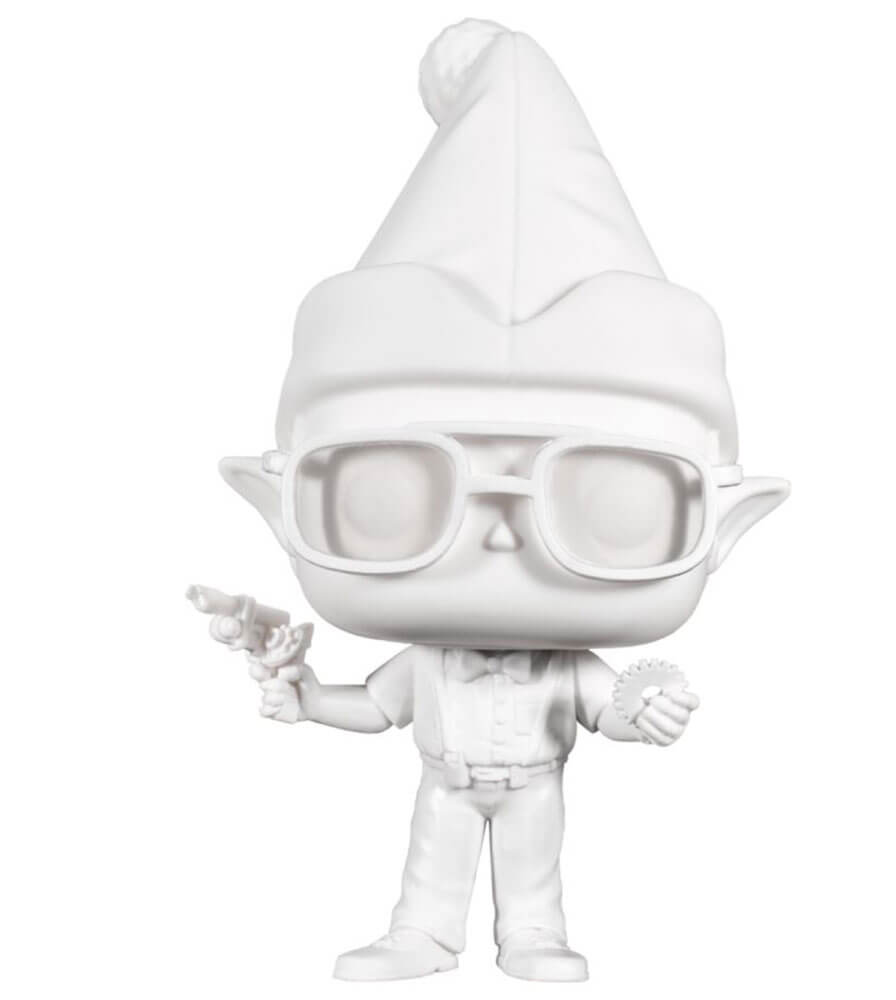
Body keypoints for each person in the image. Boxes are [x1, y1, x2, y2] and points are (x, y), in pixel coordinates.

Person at [204, 19, 788, 982]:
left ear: (725, 526)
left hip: (533, 784)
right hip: (448, 779)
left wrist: (645, 712)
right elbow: (376, 708)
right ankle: (424, 934)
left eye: (611, 505)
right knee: (430, 860)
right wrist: (306, 701)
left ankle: (533, 934)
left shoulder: (561, 669)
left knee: (533, 868)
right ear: (278, 505)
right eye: (391, 496)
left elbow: (611, 708)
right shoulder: (426, 665)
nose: (505, 538)